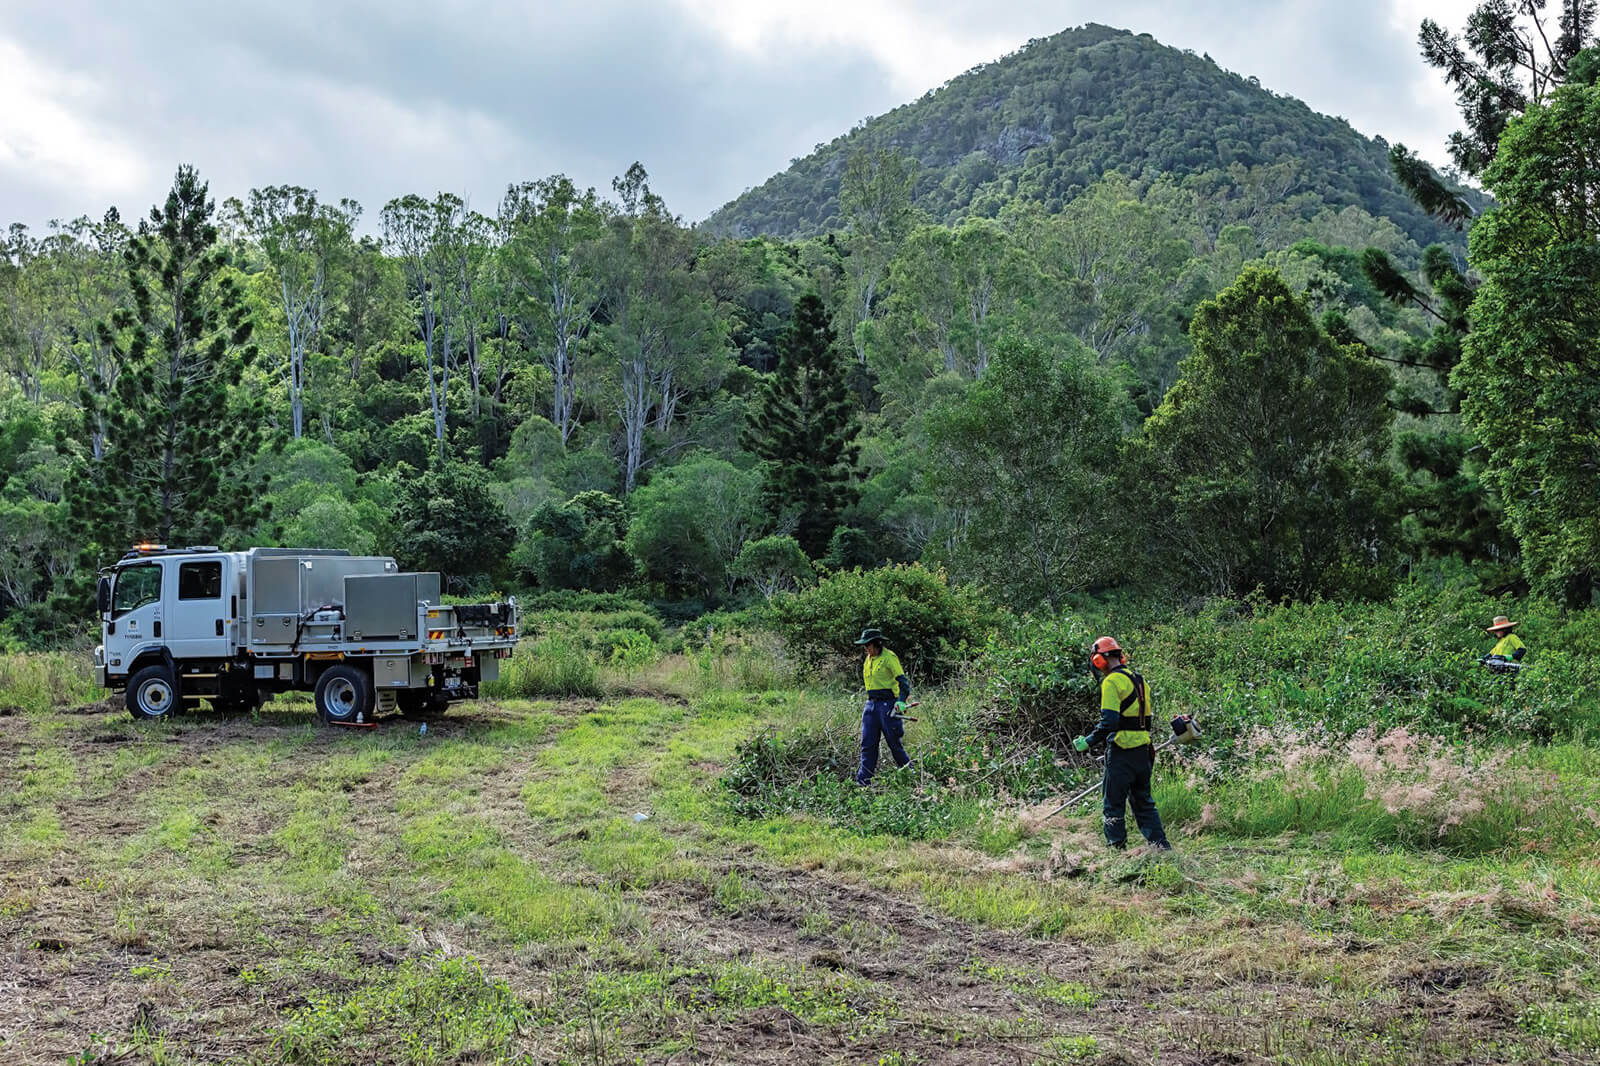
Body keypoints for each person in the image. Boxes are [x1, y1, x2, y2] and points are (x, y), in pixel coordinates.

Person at [1072, 636, 1170, 850]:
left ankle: (1116, 849)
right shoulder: (1139, 680)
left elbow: (1110, 721)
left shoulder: (1111, 682)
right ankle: (1161, 847)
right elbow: (1148, 720)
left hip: (1122, 752)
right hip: (1143, 751)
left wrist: (1087, 742)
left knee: (1113, 805)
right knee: (1144, 803)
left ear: (1099, 660)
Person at [854, 628, 913, 784]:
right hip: (871, 705)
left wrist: (901, 701)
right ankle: (863, 783)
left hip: (887, 705)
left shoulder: (889, 658)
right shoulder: (868, 659)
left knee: (894, 744)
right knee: (867, 745)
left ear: (876, 644)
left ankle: (912, 777)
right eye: (864, 645)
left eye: (868, 645)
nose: (865, 648)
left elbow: (904, 683)